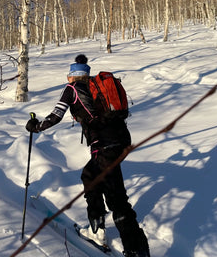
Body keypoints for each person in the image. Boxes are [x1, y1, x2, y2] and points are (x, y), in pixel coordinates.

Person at [26, 54, 150, 257]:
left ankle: (136, 250)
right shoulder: (95, 87)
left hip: (103, 145)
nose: (68, 80)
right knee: (90, 176)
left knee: (116, 198)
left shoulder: (72, 89)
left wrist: (36, 127)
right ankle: (97, 230)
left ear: (72, 77)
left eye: (69, 76)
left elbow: (56, 115)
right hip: (120, 141)